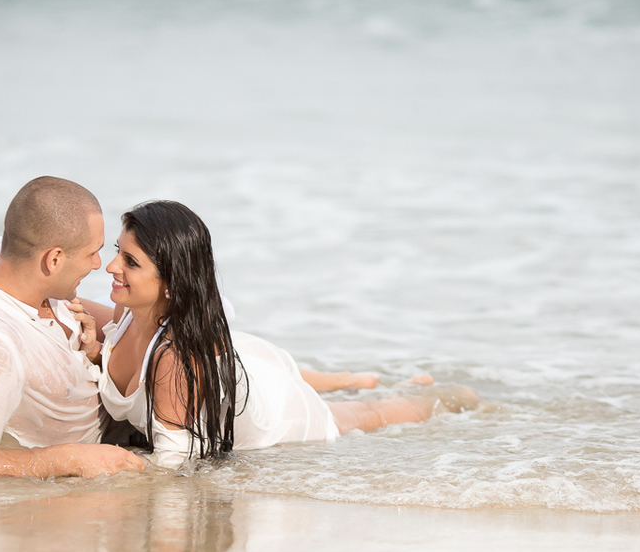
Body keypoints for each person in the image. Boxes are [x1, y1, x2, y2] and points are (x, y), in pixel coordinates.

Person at [91, 199, 476, 469]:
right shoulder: (128, 307)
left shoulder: (173, 362)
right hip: (237, 365)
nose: (110, 266)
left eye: (130, 262)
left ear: (171, 285)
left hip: (270, 409)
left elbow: (172, 468)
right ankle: (355, 380)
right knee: (302, 378)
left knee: (365, 414)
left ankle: (444, 394)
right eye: (116, 251)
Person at [0, 176, 145, 478]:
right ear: (53, 260)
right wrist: (65, 460)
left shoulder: (6, 258)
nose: (99, 264)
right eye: (92, 252)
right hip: (110, 449)